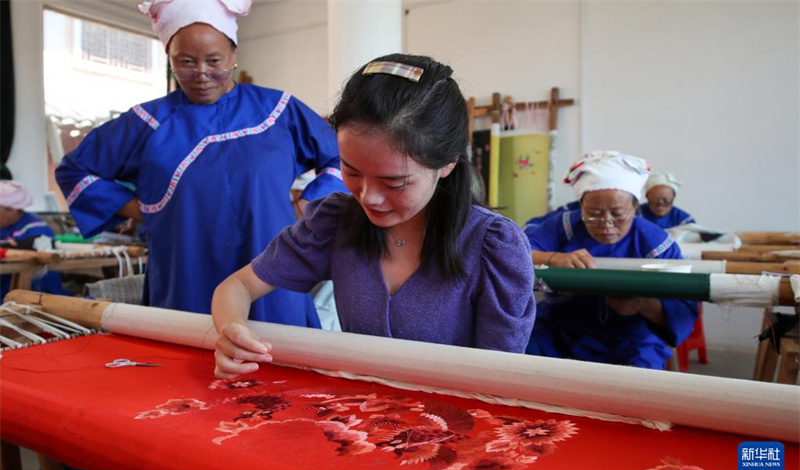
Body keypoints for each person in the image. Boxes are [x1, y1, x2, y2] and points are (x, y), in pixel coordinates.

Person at [212, 54, 536, 379]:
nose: (369, 196)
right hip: (358, 417)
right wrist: (233, 329)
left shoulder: (493, 246)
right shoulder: (336, 222)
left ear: (448, 163)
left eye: (394, 182)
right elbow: (237, 285)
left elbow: (500, 382)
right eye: (351, 171)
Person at [55, 0, 344, 327]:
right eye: (186, 62)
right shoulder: (147, 121)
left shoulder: (279, 110)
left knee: (282, 361)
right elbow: (74, 170)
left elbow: (342, 155)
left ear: (234, 54)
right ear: (170, 59)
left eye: (215, 60)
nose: (202, 74)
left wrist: (313, 200)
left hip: (269, 265)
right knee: (188, 362)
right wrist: (141, 209)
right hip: (185, 267)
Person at [526, 151, 697, 369]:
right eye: (594, 214)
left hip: (632, 338)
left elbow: (684, 307)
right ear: (581, 205)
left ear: (635, 208)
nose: (606, 224)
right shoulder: (565, 226)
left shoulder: (656, 243)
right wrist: (553, 258)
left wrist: (643, 304)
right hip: (561, 329)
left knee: (640, 383)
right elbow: (518, 250)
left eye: (618, 214)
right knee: (524, 352)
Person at [0, 181, 70, 299]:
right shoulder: (4, 225)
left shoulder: (37, 228)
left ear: (12, 209)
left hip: (31, 291)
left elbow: (37, 246)